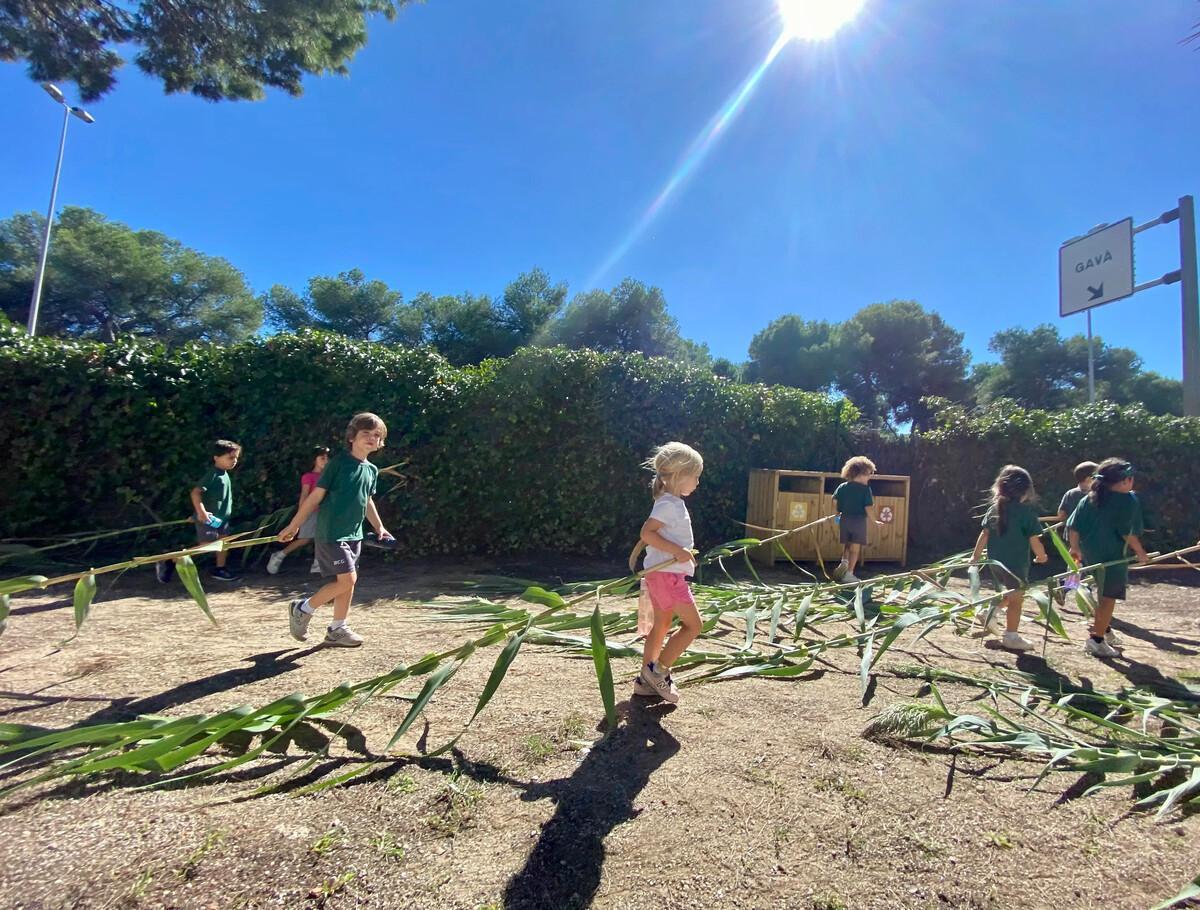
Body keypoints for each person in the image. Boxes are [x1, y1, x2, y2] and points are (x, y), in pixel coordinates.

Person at [281, 414, 393, 648]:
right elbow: (314, 498)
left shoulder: (371, 469)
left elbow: (367, 501)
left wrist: (379, 527)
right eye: (366, 433)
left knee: (348, 582)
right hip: (332, 533)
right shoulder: (338, 464)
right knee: (347, 579)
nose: (372, 438)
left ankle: (337, 629)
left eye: (376, 435)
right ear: (352, 437)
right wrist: (294, 525)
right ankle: (303, 608)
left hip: (355, 535)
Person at [631, 442, 704, 705]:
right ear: (679, 475)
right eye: (695, 476)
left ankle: (644, 679)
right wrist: (678, 551)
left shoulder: (670, 502)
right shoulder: (669, 505)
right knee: (694, 625)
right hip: (668, 576)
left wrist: (681, 552)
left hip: (665, 575)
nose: (697, 482)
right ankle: (658, 671)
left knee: (661, 625)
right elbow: (646, 533)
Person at [1067, 458, 1151, 657]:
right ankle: (1096, 640)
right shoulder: (1127, 500)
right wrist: (1140, 553)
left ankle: (1103, 628)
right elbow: (1127, 532)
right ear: (1124, 482)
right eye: (1131, 479)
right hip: (1113, 556)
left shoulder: (1089, 497)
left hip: (1091, 554)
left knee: (1101, 593)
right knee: (1108, 598)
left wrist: (1074, 548)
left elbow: (1074, 526)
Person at [970, 465, 1049, 652]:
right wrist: (1041, 556)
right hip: (1016, 564)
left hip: (996, 563)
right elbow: (1034, 540)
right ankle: (1011, 636)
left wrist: (975, 556)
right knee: (1016, 599)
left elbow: (984, 535)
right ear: (1026, 490)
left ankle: (991, 612)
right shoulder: (1026, 513)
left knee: (1011, 593)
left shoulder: (995, 509)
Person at [158, 439, 242, 583]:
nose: (234, 461)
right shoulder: (213, 475)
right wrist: (201, 512)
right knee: (207, 546)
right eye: (230, 458)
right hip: (209, 519)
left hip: (221, 519)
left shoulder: (224, 474)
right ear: (216, 458)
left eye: (235, 458)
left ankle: (219, 568)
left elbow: (215, 498)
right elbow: (195, 493)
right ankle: (169, 559)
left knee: (224, 543)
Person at [267, 446, 330, 575]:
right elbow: (304, 495)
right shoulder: (309, 476)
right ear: (314, 460)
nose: (326, 461)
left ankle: (318, 563)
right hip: (312, 511)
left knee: (323, 537)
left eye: (327, 458)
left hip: (325, 512)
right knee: (305, 539)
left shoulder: (328, 476)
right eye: (322, 458)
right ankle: (279, 555)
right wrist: (302, 513)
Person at [831, 456, 882, 583]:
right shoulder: (865, 490)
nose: (870, 477)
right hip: (858, 520)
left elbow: (835, 500)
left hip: (844, 519)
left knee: (847, 544)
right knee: (855, 548)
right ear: (860, 474)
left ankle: (844, 561)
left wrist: (837, 514)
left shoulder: (842, 486)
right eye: (869, 474)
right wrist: (874, 521)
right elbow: (868, 508)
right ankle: (849, 573)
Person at [1056, 461, 1098, 527]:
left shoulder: (1070, 494)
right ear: (1089, 479)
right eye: (1097, 477)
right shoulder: (1097, 494)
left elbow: (1061, 516)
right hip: (1092, 533)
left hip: (1071, 533)